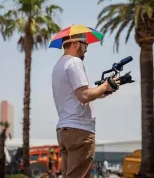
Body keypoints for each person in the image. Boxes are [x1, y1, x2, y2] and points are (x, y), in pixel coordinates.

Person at [51, 33, 120, 178]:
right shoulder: (74, 62)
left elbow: (77, 95)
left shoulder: (58, 65)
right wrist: (106, 85)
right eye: (85, 45)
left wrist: (103, 90)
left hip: (65, 130)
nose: (87, 49)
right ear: (75, 43)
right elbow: (84, 96)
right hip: (79, 130)